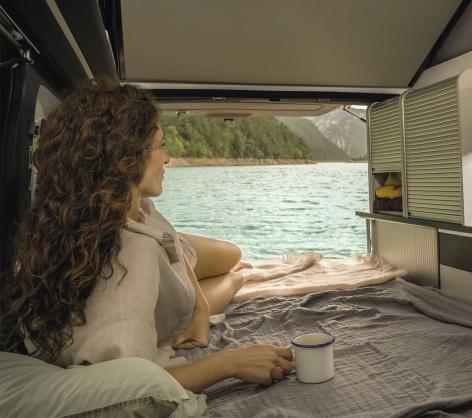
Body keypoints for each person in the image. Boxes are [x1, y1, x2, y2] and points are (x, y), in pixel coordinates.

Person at [0, 79, 292, 392]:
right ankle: (237, 279)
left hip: (165, 256)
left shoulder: (96, 208)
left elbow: (163, 238)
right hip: (151, 273)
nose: (167, 158)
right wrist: (229, 363)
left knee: (232, 254)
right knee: (231, 272)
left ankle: (222, 285)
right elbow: (129, 385)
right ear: (123, 156)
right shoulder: (132, 258)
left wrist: (201, 308)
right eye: (158, 146)